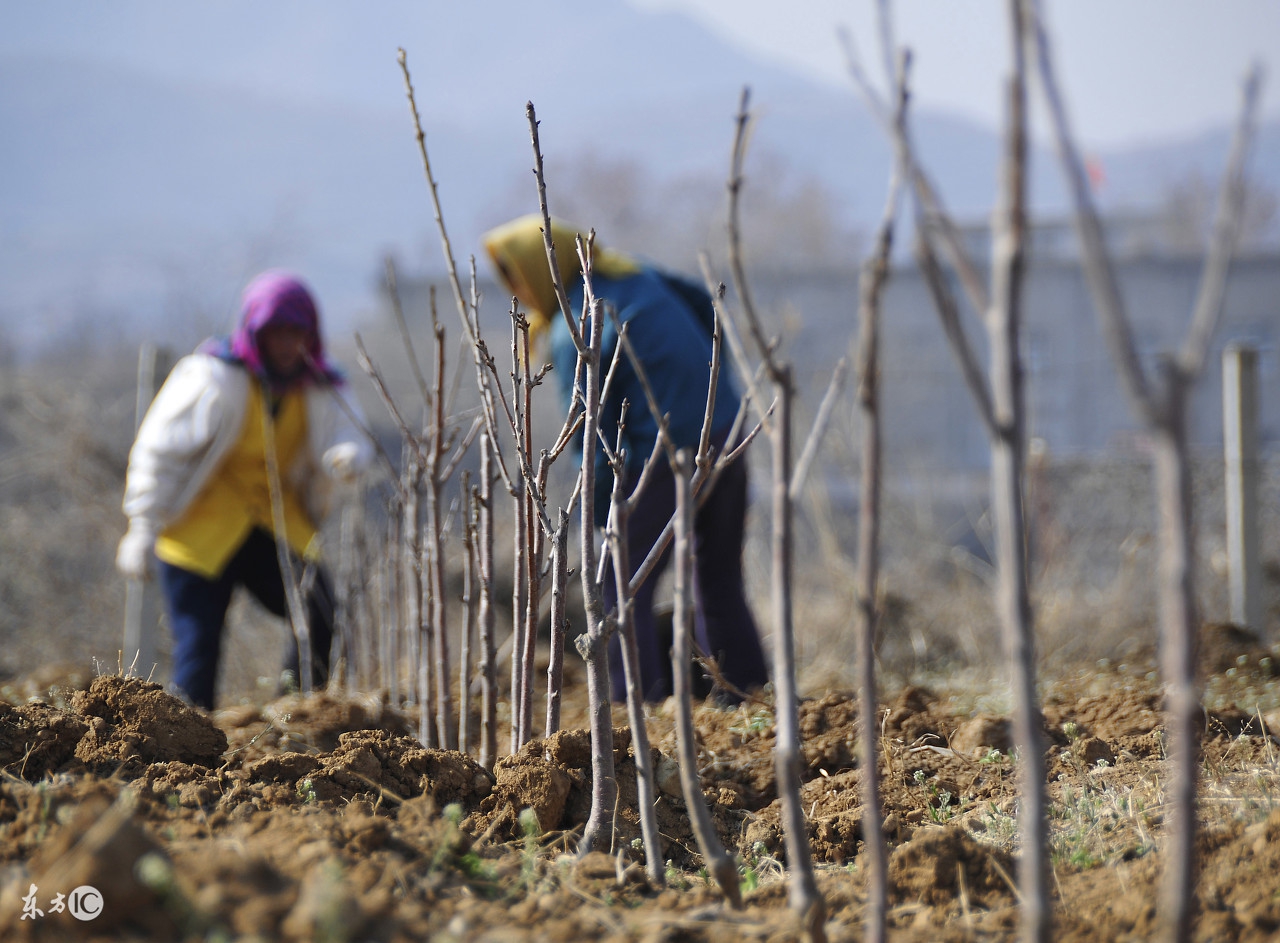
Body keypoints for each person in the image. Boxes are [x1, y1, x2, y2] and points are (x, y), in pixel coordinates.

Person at [482, 215, 769, 703]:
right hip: (724, 428)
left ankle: (634, 705)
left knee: (617, 587)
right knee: (717, 572)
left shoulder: (578, 324)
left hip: (664, 453)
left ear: (541, 270)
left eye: (518, 279)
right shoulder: (636, 274)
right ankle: (747, 693)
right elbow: (703, 302)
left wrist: (599, 512)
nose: (518, 292)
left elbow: (588, 432)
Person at [115, 271, 372, 710]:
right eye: (277, 332)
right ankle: (189, 746)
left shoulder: (321, 386)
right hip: (200, 530)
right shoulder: (212, 377)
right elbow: (160, 452)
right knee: (199, 645)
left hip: (275, 525)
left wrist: (349, 455)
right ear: (255, 332)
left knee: (321, 612)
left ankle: (295, 711)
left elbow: (348, 430)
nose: (288, 344)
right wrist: (142, 525)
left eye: (298, 332)